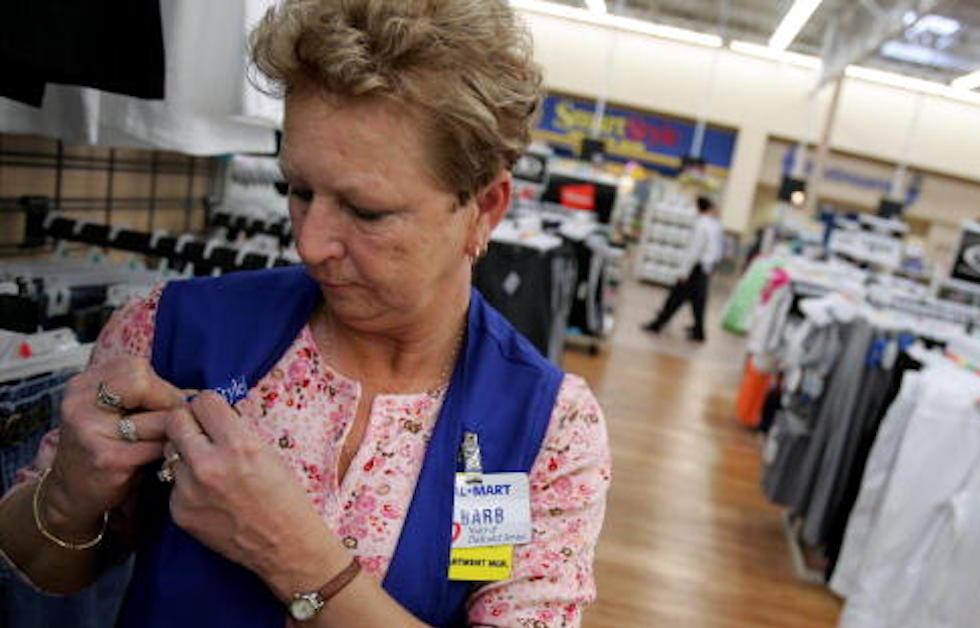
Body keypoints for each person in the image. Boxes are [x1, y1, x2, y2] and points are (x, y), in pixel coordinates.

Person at [0, 2, 611, 627]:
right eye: (297, 190)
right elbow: (41, 563)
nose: (311, 242)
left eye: (366, 211)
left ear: (485, 208)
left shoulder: (549, 432)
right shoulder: (167, 330)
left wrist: (295, 556)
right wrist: (69, 495)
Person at [643, 196, 724, 342]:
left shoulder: (701, 225)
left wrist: (683, 272)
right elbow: (715, 250)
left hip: (694, 269)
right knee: (698, 303)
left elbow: (694, 251)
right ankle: (698, 331)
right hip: (703, 269)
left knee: (675, 299)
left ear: (698, 208)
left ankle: (657, 325)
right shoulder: (713, 226)